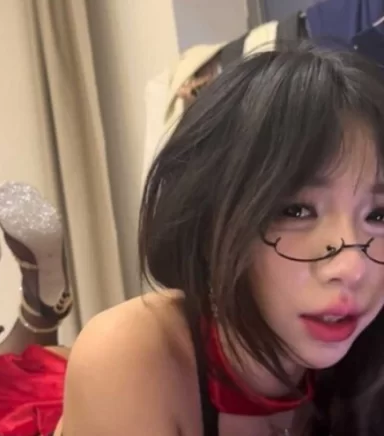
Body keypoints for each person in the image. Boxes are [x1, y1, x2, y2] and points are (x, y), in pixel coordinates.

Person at [62, 44, 384, 436]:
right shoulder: (129, 355)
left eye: (378, 216)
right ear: (210, 217)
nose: (352, 267)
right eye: (296, 210)